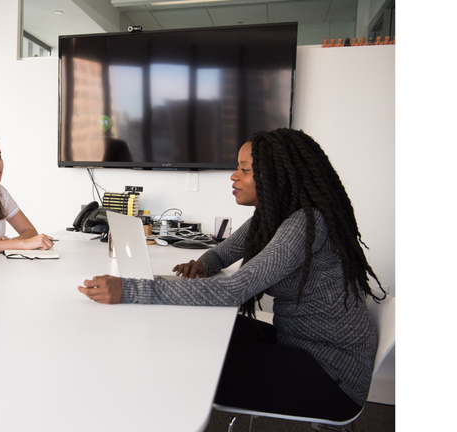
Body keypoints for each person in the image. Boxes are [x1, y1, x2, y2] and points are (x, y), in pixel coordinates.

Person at [78, 128, 385, 420]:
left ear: (275, 176)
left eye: (245, 169)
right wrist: (204, 264)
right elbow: (224, 252)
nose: (234, 176)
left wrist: (130, 290)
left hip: (331, 375)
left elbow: (233, 290)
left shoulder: (305, 224)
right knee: (196, 331)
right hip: (298, 343)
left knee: (187, 363)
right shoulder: (272, 218)